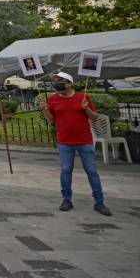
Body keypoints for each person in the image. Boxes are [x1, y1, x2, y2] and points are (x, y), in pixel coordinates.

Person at [42, 72, 111, 216]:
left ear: (69, 83)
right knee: (66, 171)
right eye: (56, 81)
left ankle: (99, 202)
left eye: (60, 81)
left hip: (84, 141)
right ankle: (67, 200)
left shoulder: (82, 97)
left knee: (92, 171)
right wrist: (45, 110)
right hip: (65, 141)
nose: (57, 83)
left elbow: (95, 117)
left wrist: (86, 108)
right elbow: (52, 120)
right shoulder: (52, 99)